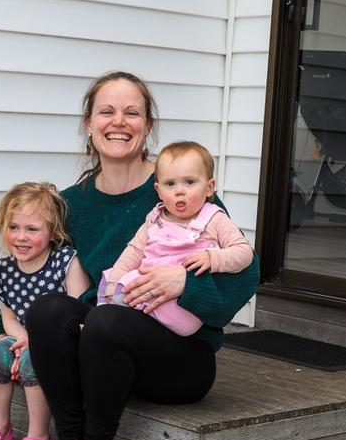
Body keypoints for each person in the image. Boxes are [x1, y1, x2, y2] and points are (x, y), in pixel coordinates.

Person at [12, 71, 259, 440]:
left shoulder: (181, 189)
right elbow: (39, 268)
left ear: (147, 126)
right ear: (89, 124)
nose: (118, 122)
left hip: (178, 360)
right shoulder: (71, 204)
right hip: (102, 351)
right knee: (50, 310)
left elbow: (247, 272)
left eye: (132, 112)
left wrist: (184, 282)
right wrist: (10, 331)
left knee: (107, 317)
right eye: (106, 112)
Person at [0, 182, 89, 440]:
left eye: (32, 229)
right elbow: (9, 320)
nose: (21, 237)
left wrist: (36, 345)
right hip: (25, 340)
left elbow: (80, 314)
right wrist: (21, 343)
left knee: (34, 357)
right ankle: (0, 429)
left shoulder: (65, 263)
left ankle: (40, 437)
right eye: (14, 227)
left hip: (64, 345)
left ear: (53, 233)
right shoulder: (4, 272)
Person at [99, 141, 253, 336]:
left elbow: (244, 252)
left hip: (181, 308)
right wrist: (114, 284)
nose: (179, 190)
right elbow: (133, 252)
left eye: (189, 182)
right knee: (115, 286)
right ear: (159, 190)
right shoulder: (155, 218)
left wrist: (212, 259)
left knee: (116, 315)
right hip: (144, 296)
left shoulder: (214, 218)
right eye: (170, 184)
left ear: (209, 187)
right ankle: (106, 321)